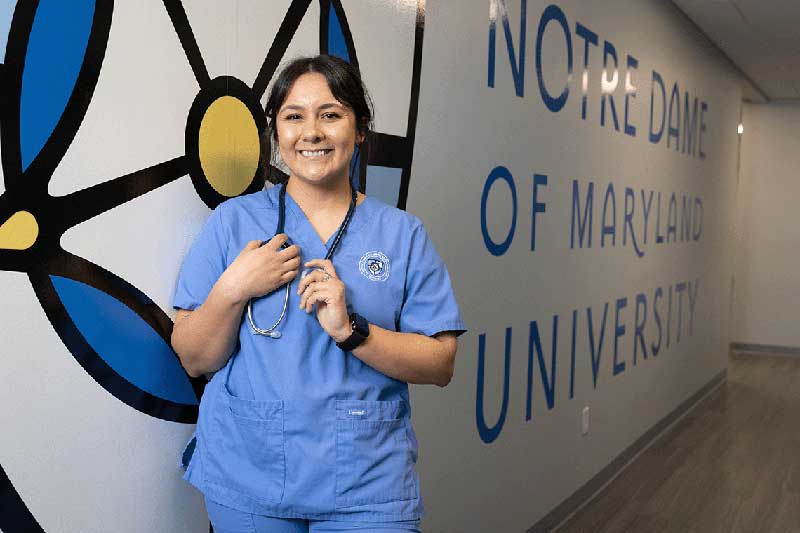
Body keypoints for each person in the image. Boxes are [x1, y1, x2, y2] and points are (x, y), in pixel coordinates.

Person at [171, 55, 466, 533]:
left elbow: (441, 364)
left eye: (330, 114)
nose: (311, 132)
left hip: (367, 483)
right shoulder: (233, 224)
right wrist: (233, 288)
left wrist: (353, 331)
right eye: (293, 116)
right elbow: (194, 358)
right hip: (250, 472)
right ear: (276, 132)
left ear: (361, 128)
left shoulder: (403, 236)